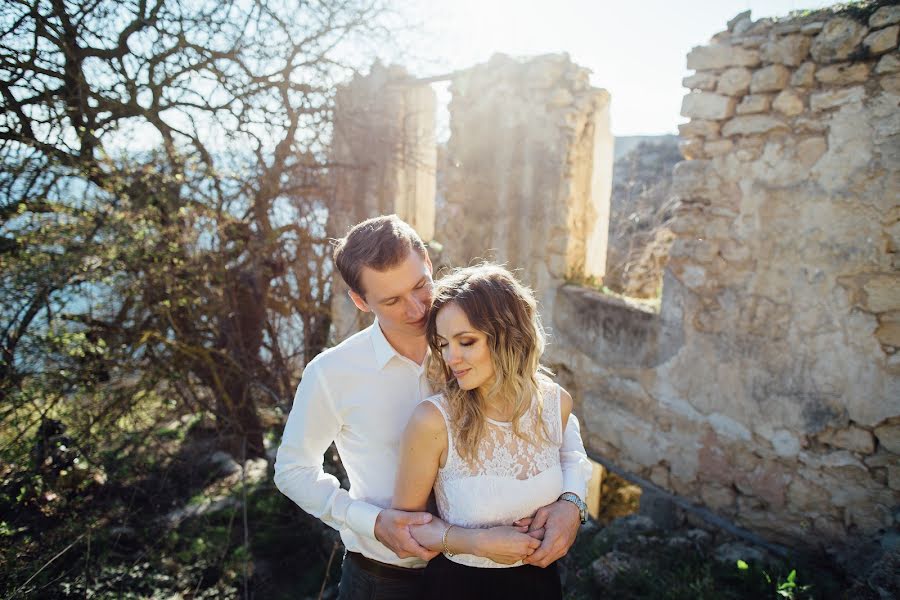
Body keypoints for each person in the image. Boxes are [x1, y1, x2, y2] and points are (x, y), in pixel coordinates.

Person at [274, 215, 591, 599]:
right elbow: (292, 471)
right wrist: (370, 521)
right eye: (392, 300)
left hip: (488, 578)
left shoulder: (473, 332)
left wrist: (572, 502)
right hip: (386, 576)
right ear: (360, 301)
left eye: (420, 285)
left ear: (426, 259)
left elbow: (558, 425)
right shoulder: (332, 373)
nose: (416, 308)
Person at [392, 264, 580, 599]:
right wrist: (477, 543)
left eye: (466, 342)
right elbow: (405, 528)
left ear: (509, 334)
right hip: (458, 588)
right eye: (443, 344)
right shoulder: (433, 421)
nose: (452, 357)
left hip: (541, 586)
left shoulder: (556, 403)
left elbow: (573, 461)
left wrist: (572, 506)